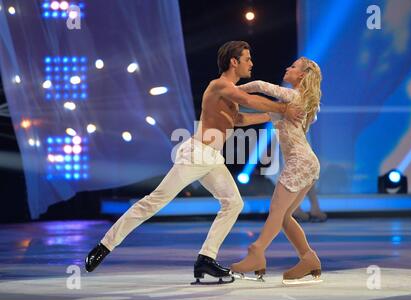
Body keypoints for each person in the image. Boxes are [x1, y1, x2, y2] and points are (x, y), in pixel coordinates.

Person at [84, 41, 304, 285]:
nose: (251, 63)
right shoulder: (220, 85)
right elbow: (248, 100)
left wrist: (273, 115)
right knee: (154, 202)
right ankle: (105, 245)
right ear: (234, 61)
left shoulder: (229, 94)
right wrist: (284, 108)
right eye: (247, 59)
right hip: (196, 154)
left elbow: (239, 118)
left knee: (233, 203)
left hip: (211, 158)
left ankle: (206, 259)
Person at [230, 57, 323, 285]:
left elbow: (260, 85)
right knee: (284, 217)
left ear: (301, 75)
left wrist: (229, 90)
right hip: (306, 162)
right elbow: (254, 117)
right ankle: (309, 259)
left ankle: (257, 251)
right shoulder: (289, 105)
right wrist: (227, 117)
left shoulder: (294, 96)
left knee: (276, 211)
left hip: (300, 161)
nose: (287, 67)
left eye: (292, 66)